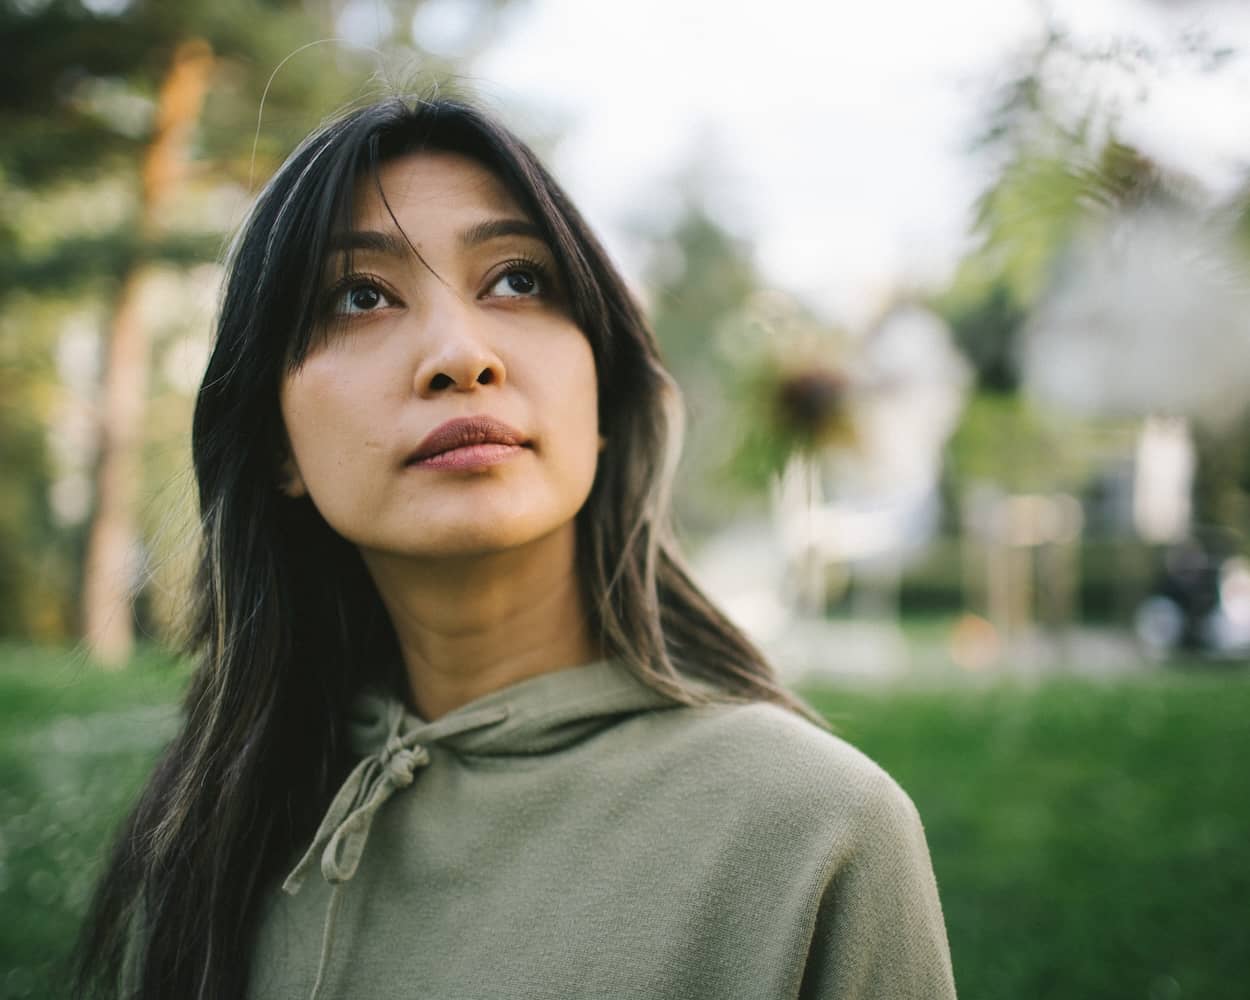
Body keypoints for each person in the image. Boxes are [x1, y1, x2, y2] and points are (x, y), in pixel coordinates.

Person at [74, 95, 957, 1000]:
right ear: (277, 447)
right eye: (360, 296)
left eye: (518, 281)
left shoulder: (816, 832)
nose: (461, 356)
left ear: (604, 397)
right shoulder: (217, 835)